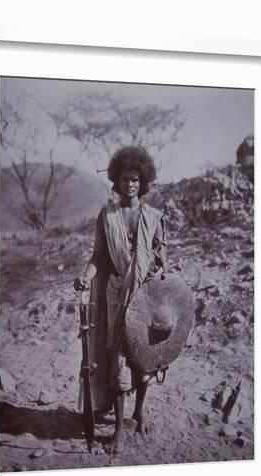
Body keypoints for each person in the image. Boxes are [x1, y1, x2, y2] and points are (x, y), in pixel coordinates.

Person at [74, 146, 168, 454]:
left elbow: (162, 261)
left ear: (143, 183)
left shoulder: (154, 217)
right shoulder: (108, 215)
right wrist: (84, 277)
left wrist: (154, 270)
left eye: (136, 179)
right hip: (115, 293)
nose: (130, 184)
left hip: (144, 295)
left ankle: (139, 412)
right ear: (116, 180)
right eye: (125, 179)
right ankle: (118, 430)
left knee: (144, 357)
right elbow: (98, 257)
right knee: (118, 361)